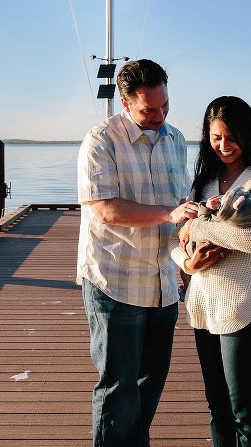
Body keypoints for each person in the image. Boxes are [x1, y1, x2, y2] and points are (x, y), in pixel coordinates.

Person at [76, 59, 199, 446]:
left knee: (150, 386)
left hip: (163, 282)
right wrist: (169, 212)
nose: (160, 116)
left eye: (165, 106)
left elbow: (180, 205)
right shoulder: (100, 141)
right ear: (126, 104)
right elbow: (106, 209)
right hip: (114, 281)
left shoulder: (176, 139)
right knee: (117, 389)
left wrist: (188, 247)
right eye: (149, 110)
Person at [171, 96, 251, 447]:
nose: (224, 146)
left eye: (231, 137)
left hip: (244, 307)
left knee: (244, 414)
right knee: (218, 410)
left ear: (248, 134)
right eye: (216, 138)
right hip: (202, 308)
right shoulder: (204, 182)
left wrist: (197, 228)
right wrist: (187, 262)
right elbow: (170, 240)